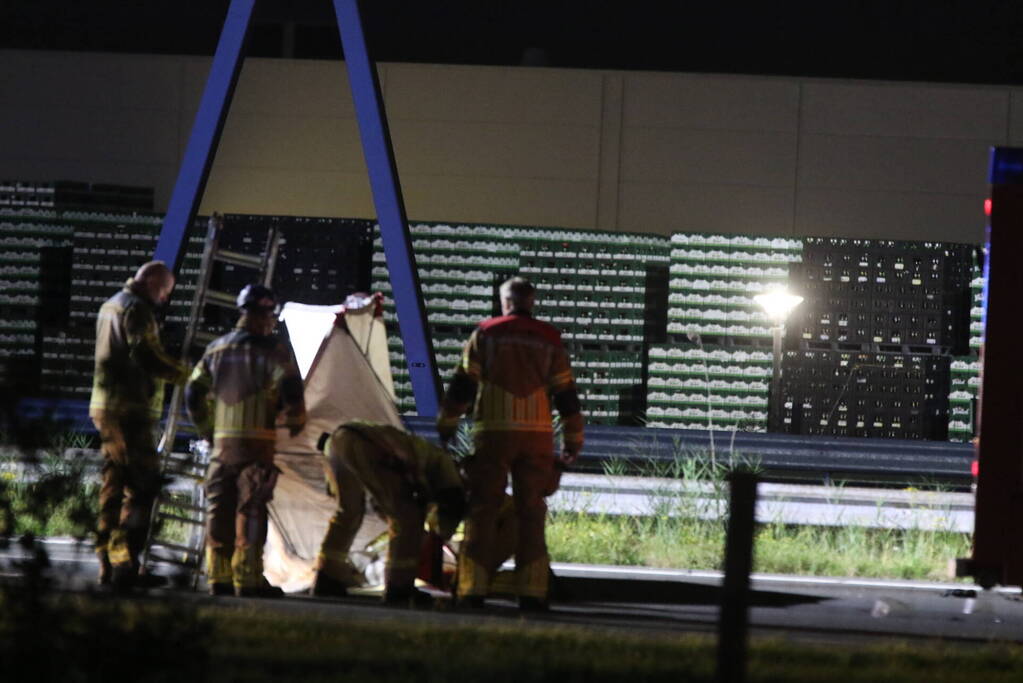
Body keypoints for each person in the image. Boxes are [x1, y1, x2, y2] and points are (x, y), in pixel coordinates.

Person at [437, 276, 584, 611]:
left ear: (504, 301)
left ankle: (472, 589)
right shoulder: (550, 339)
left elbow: (463, 386)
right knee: (531, 512)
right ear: (531, 301)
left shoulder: (486, 334)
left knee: (483, 509)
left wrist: (446, 425)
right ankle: (532, 592)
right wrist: (573, 440)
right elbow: (566, 396)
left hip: (493, 434)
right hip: (537, 438)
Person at [185, 284, 306, 597]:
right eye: (270, 317)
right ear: (263, 314)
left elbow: (192, 392)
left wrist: (207, 429)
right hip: (257, 444)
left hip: (222, 446)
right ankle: (248, 580)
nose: (271, 323)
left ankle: (219, 578)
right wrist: (295, 419)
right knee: (251, 508)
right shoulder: (272, 350)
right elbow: (292, 388)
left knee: (219, 509)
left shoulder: (216, 349)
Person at [89, 260, 191, 588]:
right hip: (129, 409)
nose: (164, 300)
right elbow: (144, 354)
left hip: (105, 405)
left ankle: (109, 563)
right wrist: (186, 373)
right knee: (143, 486)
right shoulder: (137, 310)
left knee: (113, 484)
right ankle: (125, 564)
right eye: (164, 293)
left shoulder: (110, 305)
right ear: (152, 284)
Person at [312, 421, 465, 607]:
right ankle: (399, 587)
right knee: (406, 518)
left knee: (348, 511)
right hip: (366, 446)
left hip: (338, 441)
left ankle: (327, 576)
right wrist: (438, 533)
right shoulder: (444, 469)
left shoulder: (426, 455)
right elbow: (449, 505)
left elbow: (384, 500)